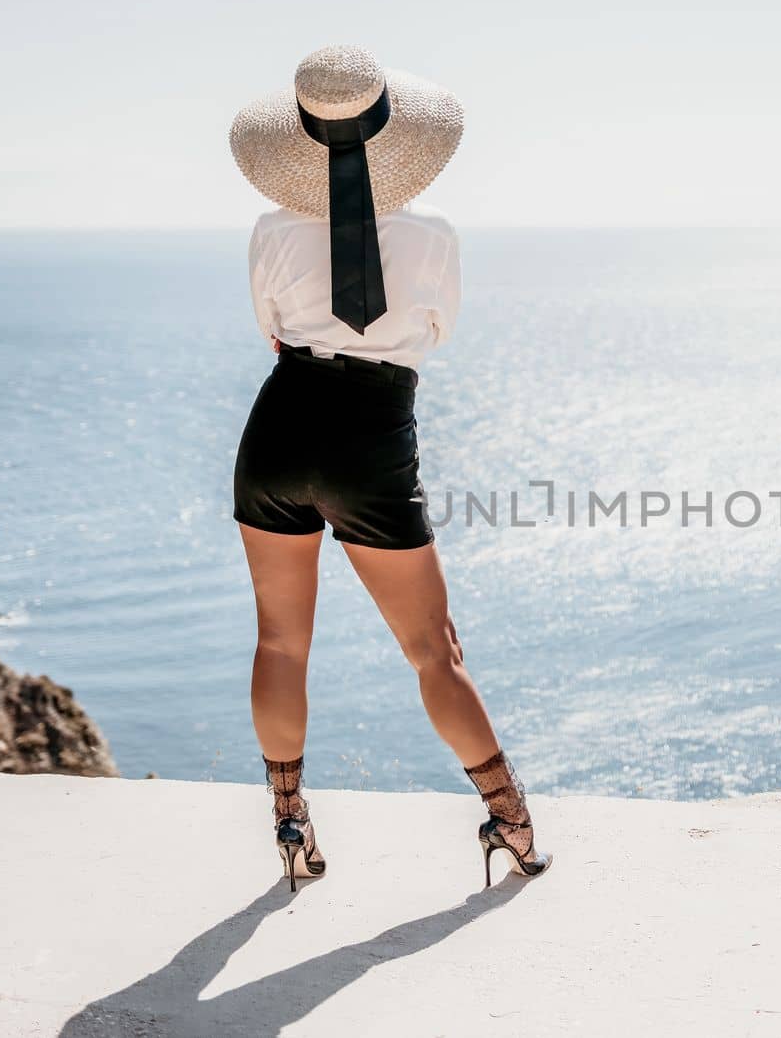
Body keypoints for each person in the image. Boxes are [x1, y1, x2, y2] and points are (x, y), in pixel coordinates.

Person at [228, 44, 550, 892]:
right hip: (370, 437)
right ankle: (509, 819)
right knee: (433, 650)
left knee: (279, 640)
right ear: (390, 134)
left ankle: (289, 821)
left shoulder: (269, 229)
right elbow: (435, 331)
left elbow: (271, 326)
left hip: (278, 428)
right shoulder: (432, 233)